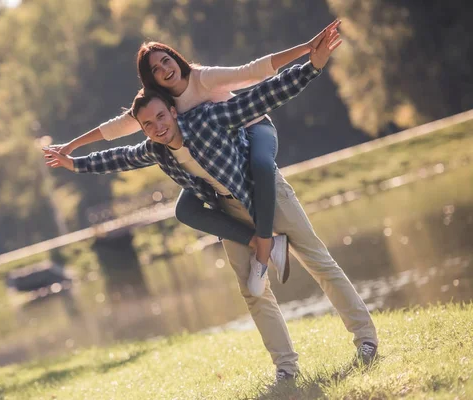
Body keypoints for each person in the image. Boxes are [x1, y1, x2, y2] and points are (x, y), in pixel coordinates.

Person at [44, 31, 378, 382]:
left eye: (161, 117)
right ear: (142, 128)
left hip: (269, 194)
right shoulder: (156, 149)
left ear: (172, 111)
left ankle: (366, 340)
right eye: (148, 125)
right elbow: (118, 156)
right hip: (228, 209)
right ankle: (286, 369)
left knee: (319, 263)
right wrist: (74, 161)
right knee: (254, 292)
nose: (157, 127)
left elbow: (262, 93)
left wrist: (312, 65)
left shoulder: (207, 116)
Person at [49, 20, 343, 291]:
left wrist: (307, 50)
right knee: (186, 208)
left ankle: (266, 246)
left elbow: (254, 72)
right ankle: (262, 243)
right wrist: (71, 150)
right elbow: (114, 133)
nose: (165, 68)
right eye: (156, 69)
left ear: (176, 58)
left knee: (261, 164)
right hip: (215, 154)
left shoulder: (203, 78)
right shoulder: (157, 107)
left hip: (253, 127)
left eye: (167, 60)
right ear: (151, 81)